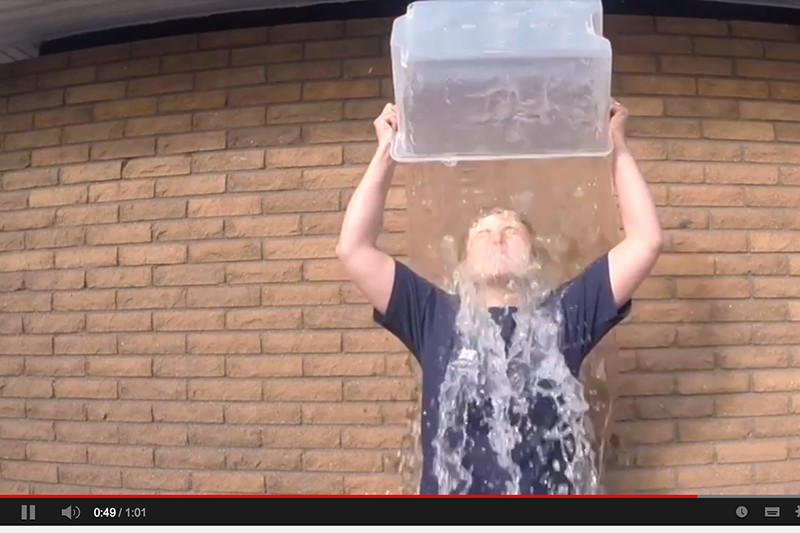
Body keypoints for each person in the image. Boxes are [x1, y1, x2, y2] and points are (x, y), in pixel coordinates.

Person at [336, 101, 662, 494]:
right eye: (481, 232)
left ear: (534, 257)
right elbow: (353, 249)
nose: (497, 235)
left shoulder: (564, 314)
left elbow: (645, 241)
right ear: (463, 262)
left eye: (511, 228)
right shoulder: (434, 314)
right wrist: (386, 152)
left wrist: (618, 147)